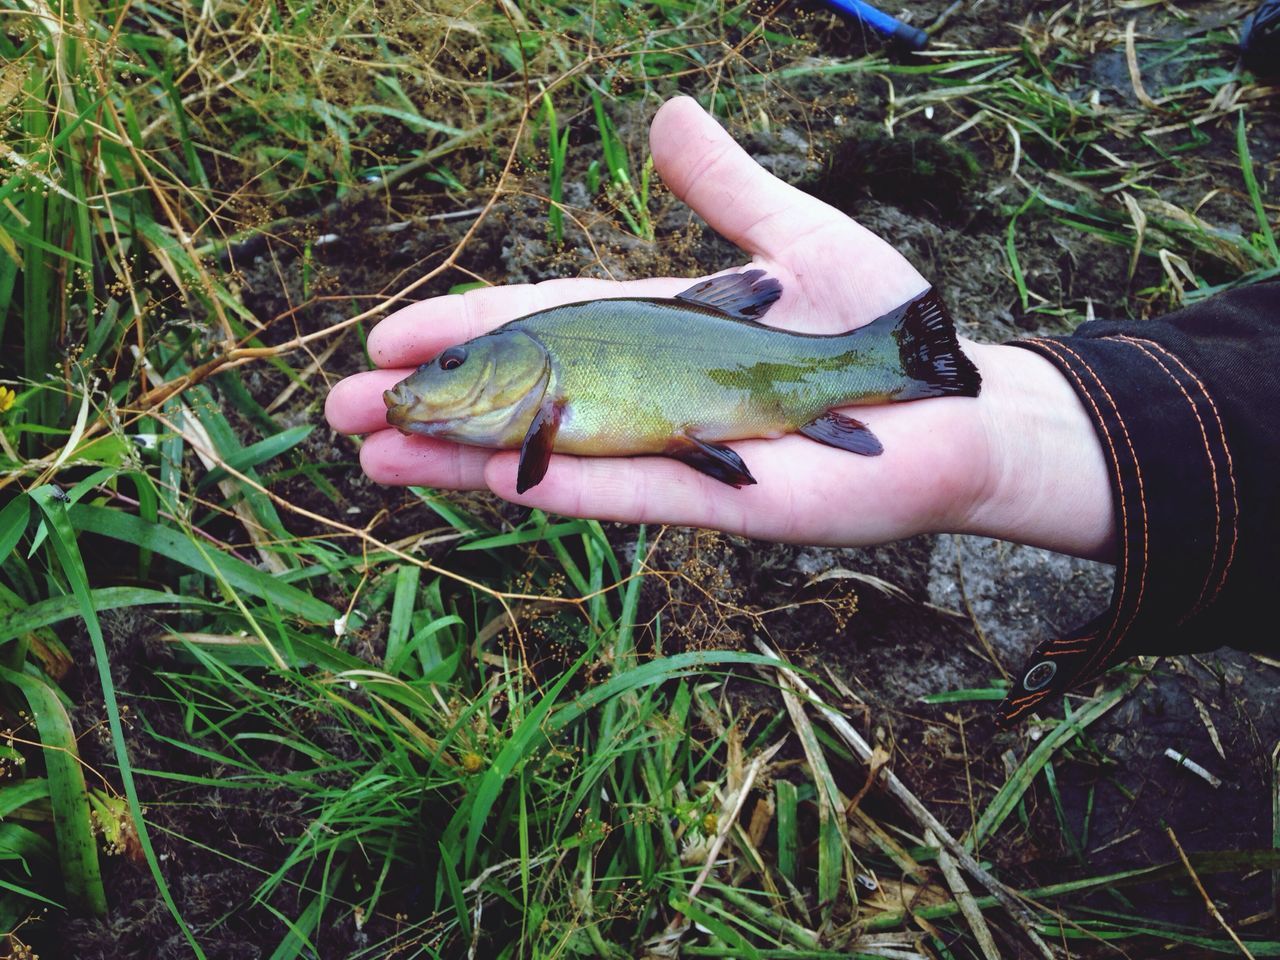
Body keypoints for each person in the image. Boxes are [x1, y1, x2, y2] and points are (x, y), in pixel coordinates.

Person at [325, 96, 1278, 725]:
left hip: (778, 374)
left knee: (831, 381)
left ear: (503, 360)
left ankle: (894, 359)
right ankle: (903, 365)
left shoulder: (545, 375)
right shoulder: (537, 385)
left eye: (451, 364)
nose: (431, 382)